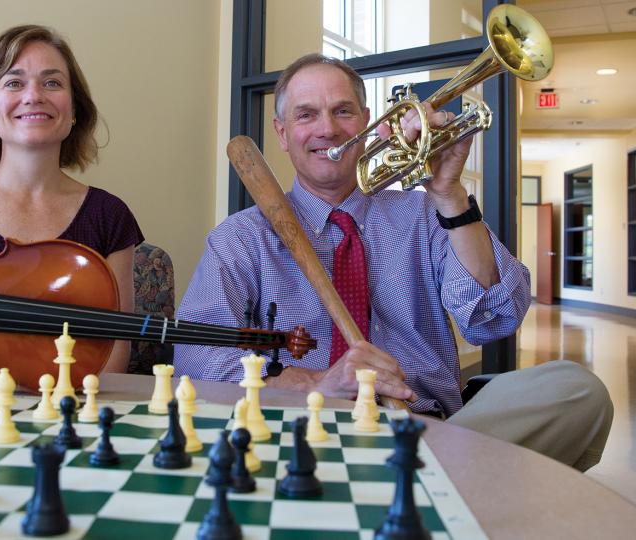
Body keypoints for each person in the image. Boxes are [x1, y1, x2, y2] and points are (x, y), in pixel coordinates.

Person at [174, 53, 612, 471]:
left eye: (343, 111)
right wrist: (318, 383)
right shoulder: (240, 238)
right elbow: (195, 360)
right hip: (300, 431)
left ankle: (419, 475)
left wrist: (449, 195)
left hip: (425, 428)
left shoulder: (425, 214)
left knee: (577, 390)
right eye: (306, 115)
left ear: (366, 122)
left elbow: (494, 320)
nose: (328, 129)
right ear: (283, 133)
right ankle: (430, 484)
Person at [0, 25, 143, 373]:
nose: (34, 96)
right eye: (14, 83)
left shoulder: (110, 216)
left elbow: (112, 357)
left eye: (52, 82)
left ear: (74, 109)